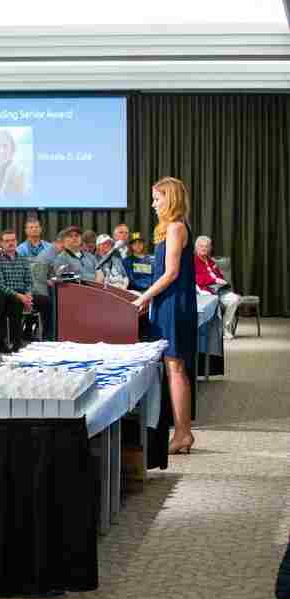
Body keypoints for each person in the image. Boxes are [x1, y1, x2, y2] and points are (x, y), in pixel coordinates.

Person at [132, 177, 197, 455]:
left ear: (170, 199)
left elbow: (170, 273)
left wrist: (144, 297)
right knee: (175, 368)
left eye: (157, 199)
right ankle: (182, 432)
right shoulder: (174, 227)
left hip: (173, 305)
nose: (153, 204)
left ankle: (183, 434)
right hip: (169, 302)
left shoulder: (175, 227)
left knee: (175, 369)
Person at [0, 229, 52, 344]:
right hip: (7, 294)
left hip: (24, 294)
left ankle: (46, 337)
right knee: (16, 302)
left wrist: (28, 296)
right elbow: (0, 285)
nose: (11, 243)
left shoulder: (23, 259)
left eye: (13, 240)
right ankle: (16, 340)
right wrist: (20, 297)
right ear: (1, 243)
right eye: (7, 241)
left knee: (46, 301)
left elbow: (29, 281)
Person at [194, 235, 241, 339]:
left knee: (235, 299)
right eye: (201, 246)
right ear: (196, 248)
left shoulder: (211, 261)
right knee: (213, 301)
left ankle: (225, 328)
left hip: (219, 289)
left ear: (210, 248)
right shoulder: (193, 261)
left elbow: (219, 275)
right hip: (204, 290)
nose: (204, 248)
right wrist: (214, 280)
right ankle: (214, 331)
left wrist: (221, 281)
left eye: (206, 246)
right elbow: (196, 278)